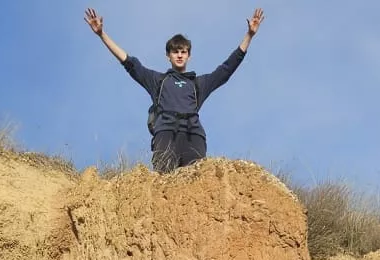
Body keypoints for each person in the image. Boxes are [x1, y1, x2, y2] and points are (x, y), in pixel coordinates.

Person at [83, 7, 265, 173]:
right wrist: (101, 34)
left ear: (189, 56)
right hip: (165, 133)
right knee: (163, 183)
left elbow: (226, 69)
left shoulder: (199, 84)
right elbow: (128, 62)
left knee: (195, 184)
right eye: (175, 52)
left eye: (183, 52)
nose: (179, 55)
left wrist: (249, 35)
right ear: (168, 56)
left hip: (193, 136)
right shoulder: (158, 81)